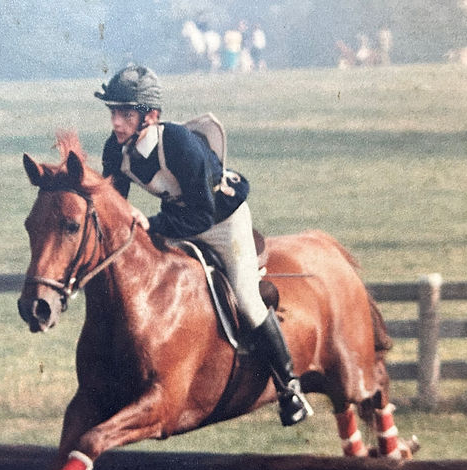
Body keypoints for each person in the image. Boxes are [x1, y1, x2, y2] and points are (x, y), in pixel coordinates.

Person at [95, 63, 311, 426]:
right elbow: (114, 204)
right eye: (114, 112)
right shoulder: (115, 150)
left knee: (246, 299)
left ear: (150, 115)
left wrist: (153, 225)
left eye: (126, 114)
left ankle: (290, 388)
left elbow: (200, 216)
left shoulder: (178, 143)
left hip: (221, 221)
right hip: (181, 217)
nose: (116, 122)